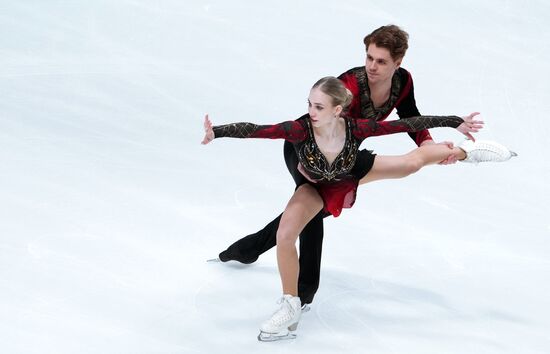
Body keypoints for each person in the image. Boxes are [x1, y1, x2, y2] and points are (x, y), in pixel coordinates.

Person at [201, 76, 515, 341]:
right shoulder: (299, 130)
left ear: (338, 110)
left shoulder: (356, 129)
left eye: (319, 106)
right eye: (309, 103)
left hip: (352, 170)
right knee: (285, 234)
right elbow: (257, 129)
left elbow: (405, 123)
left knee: (411, 163)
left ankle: (466, 153)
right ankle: (290, 304)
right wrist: (218, 131)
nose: (310, 111)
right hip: (315, 187)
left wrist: (452, 122)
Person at [214, 25, 463, 307]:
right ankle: (301, 291)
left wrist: (426, 143)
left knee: (312, 211)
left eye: (381, 61)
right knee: (313, 209)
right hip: (306, 150)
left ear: (398, 62)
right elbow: (325, 129)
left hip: (342, 157)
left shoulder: (402, 82)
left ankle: (248, 249)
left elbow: (409, 114)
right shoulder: (350, 86)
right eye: (369, 57)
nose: (371, 66)